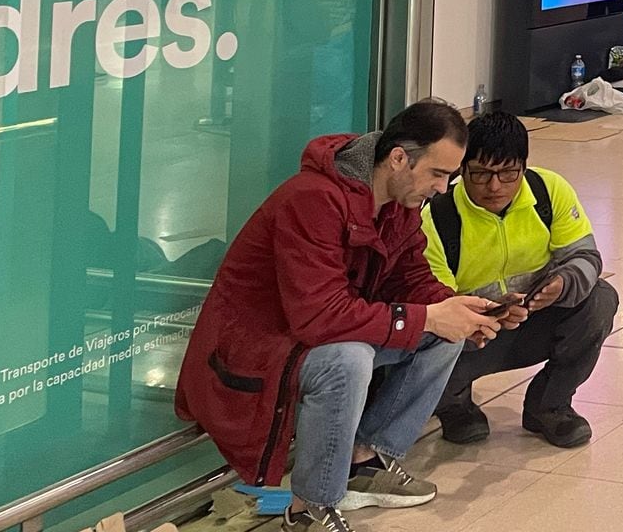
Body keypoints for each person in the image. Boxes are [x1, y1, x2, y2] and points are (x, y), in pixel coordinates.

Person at [176, 101, 504, 532]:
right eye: (437, 174)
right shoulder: (311, 200)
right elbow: (317, 318)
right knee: (349, 359)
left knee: (444, 333)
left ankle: (363, 459)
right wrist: (425, 318)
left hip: (314, 336)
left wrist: (461, 309)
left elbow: (412, 280)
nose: (443, 188)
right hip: (258, 350)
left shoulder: (399, 207)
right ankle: (308, 506)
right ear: (399, 159)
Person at [426, 112, 617, 450]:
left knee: (599, 298)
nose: (495, 186)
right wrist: (487, 314)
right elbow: (436, 303)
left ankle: (550, 405)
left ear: (524, 167)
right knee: (428, 339)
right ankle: (453, 405)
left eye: (508, 173)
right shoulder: (437, 218)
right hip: (470, 336)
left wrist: (563, 283)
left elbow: (587, 258)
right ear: (461, 168)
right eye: (481, 173)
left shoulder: (549, 191)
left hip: (535, 319)